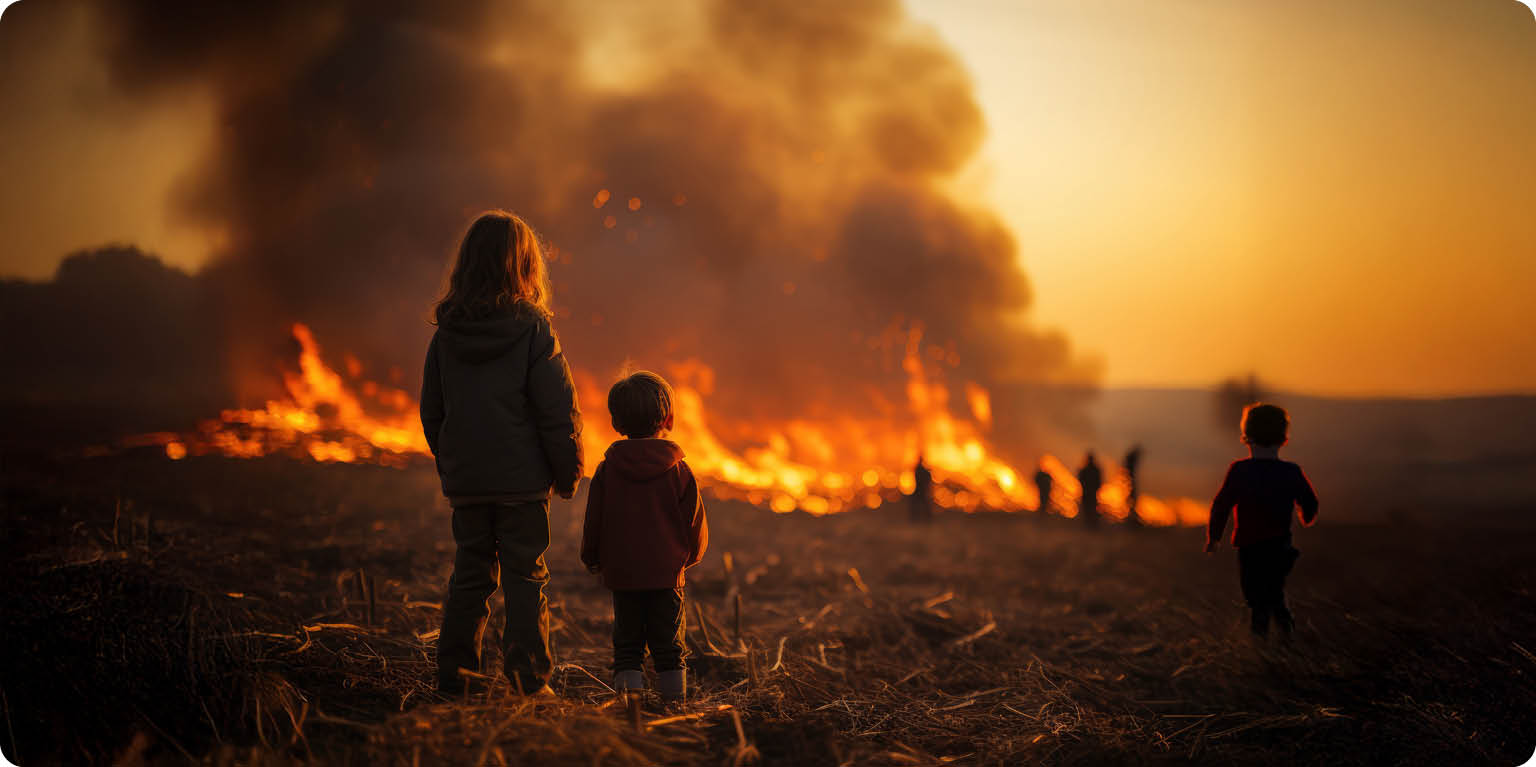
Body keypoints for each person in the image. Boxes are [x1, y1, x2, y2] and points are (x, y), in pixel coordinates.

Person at [420, 211, 583, 696]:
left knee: (469, 578)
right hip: (523, 486)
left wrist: (453, 461)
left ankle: (456, 681)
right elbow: (558, 411)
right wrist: (568, 472)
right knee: (525, 580)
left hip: (469, 487)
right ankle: (528, 683)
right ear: (526, 266)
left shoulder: (446, 334)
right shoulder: (534, 330)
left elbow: (433, 411)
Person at [582, 371, 709, 701]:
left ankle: (630, 707)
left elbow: (593, 520)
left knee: (627, 647)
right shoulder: (679, 471)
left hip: (623, 574)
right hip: (666, 575)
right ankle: (674, 706)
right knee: (669, 645)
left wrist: (592, 557)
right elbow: (694, 525)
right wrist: (687, 560)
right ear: (668, 419)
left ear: (615, 422)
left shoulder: (607, 471)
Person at [1206, 403, 1318, 637]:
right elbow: (1310, 502)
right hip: (1280, 546)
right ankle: (1284, 639)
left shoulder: (1239, 471)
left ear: (1246, 436)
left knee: (1256, 597)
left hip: (1249, 547)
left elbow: (1221, 506)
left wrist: (1214, 538)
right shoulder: (1291, 472)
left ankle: (1263, 644)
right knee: (1274, 593)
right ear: (1283, 437)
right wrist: (1306, 516)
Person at [1076, 451, 1102, 527]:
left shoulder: (1086, 470)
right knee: (1090, 509)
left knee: (1090, 509)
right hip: (1089, 492)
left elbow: (1098, 481)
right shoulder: (1093, 470)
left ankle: (1091, 524)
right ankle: (1091, 524)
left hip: (1089, 492)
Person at [1123, 444, 1144, 526]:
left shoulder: (1129, 463)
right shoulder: (1130, 465)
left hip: (1129, 485)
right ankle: (1131, 521)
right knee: (1131, 503)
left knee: (1132, 503)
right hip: (1129, 486)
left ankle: (1131, 519)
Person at [910, 454, 934, 522]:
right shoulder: (918, 470)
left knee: (922, 504)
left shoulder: (919, 470)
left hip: (921, 490)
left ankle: (927, 519)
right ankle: (916, 519)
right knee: (917, 504)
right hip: (919, 489)